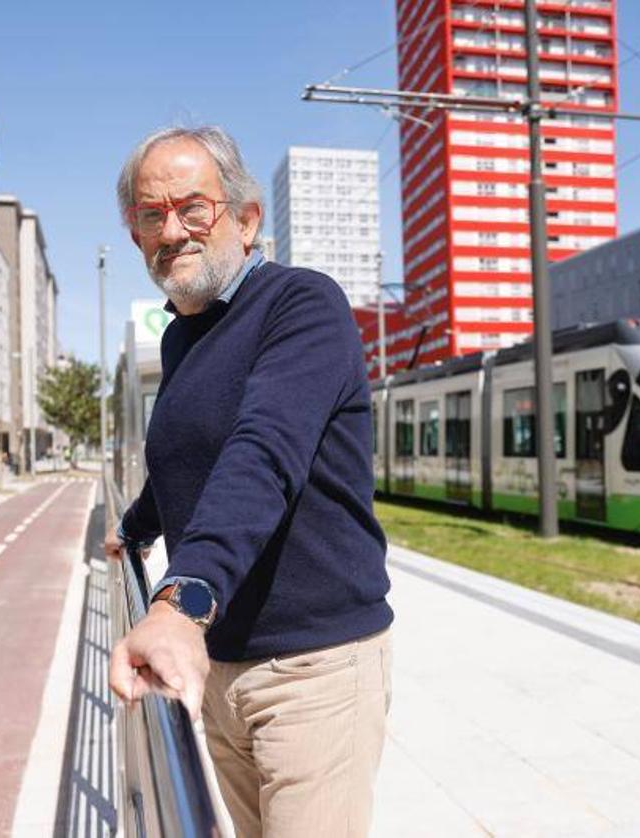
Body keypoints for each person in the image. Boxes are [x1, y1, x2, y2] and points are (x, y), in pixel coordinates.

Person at [105, 125, 393, 838]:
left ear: (246, 218)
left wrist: (179, 602)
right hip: (220, 666)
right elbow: (193, 453)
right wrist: (138, 525)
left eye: (192, 208)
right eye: (151, 215)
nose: (171, 230)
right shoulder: (182, 335)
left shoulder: (302, 304)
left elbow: (262, 450)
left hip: (311, 669)